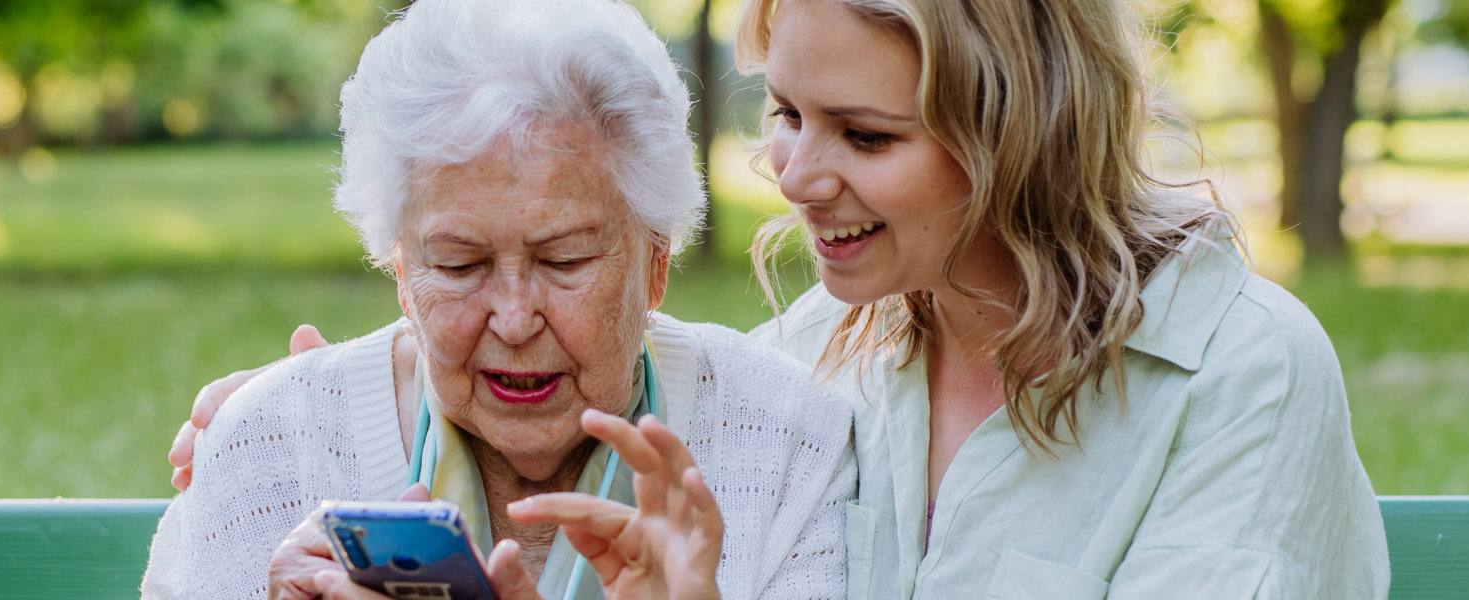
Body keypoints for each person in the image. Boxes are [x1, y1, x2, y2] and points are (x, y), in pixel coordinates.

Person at [176, 0, 1391, 597]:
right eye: (788, 116)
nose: (796, 179)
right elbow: (590, 356)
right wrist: (308, 405)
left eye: (863, 133)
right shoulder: (821, 355)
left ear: (1024, 129)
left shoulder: (1234, 374)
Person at [141, 1, 855, 598]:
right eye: (458, 265)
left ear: (656, 262)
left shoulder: (787, 438)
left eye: (564, 259)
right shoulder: (268, 445)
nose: (513, 319)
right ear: (399, 270)